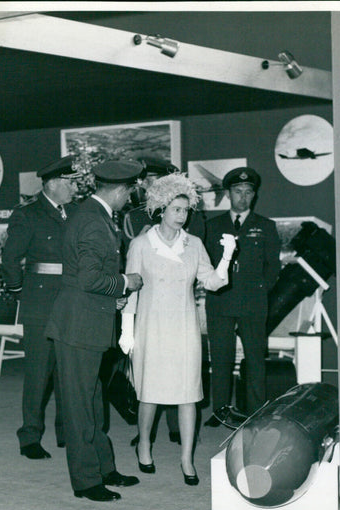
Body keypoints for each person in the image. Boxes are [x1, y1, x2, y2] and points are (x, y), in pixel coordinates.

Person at [118, 173, 236, 485]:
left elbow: (212, 282)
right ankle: (144, 444)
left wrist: (226, 257)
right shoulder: (141, 244)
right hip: (150, 327)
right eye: (176, 210)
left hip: (185, 329)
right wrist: (126, 330)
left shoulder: (194, 244)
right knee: (150, 395)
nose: (182, 216)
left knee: (188, 395)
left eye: (185, 211)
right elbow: (131, 289)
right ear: (161, 209)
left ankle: (187, 459)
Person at [45, 160, 145, 502]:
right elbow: (90, 278)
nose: (130, 198)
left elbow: (86, 279)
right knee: (79, 406)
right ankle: (87, 481)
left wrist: (111, 297)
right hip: (78, 326)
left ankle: (104, 468)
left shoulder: (94, 215)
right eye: (130, 192)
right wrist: (124, 283)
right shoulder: (92, 221)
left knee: (93, 402)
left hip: (87, 321)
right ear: (119, 190)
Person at [0, 156, 81, 459]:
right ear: (53, 184)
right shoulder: (28, 214)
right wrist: (21, 292)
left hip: (72, 299)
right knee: (38, 372)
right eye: (70, 182)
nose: (75, 187)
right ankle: (30, 436)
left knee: (68, 370)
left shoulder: (75, 212)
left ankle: (66, 432)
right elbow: (10, 260)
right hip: (39, 302)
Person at [204, 167, 281, 428]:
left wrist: (261, 290)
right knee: (221, 359)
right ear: (228, 193)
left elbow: (274, 267)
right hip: (221, 301)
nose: (243, 197)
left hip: (253, 303)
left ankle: (257, 411)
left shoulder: (265, 226)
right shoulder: (212, 227)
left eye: (248, 192)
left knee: (255, 360)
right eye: (238, 192)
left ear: (254, 195)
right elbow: (205, 265)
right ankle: (220, 410)